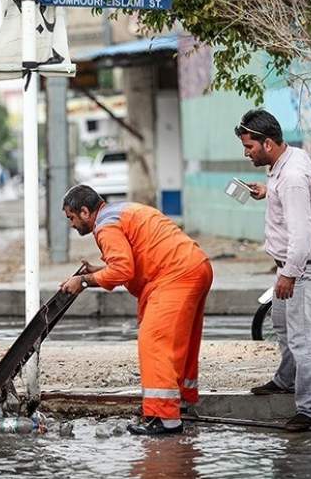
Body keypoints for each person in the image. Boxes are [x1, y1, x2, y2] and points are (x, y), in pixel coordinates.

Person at [59, 185, 213, 435]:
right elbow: (135, 257)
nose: (72, 224)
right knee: (181, 343)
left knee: (154, 342)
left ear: (85, 212)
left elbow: (122, 270)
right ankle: (182, 403)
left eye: (71, 218)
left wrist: (84, 281)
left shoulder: (105, 227)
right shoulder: (120, 212)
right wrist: (97, 271)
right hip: (195, 266)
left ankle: (166, 419)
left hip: (174, 275)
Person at [235, 108, 311, 432]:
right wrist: (267, 192)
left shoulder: (290, 178)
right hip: (292, 267)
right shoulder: (288, 161)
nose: (246, 153)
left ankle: (309, 411)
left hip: (304, 269)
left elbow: (303, 234)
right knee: (281, 324)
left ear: (267, 144)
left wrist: (290, 274)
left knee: (303, 339)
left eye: (249, 147)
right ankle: (285, 379)